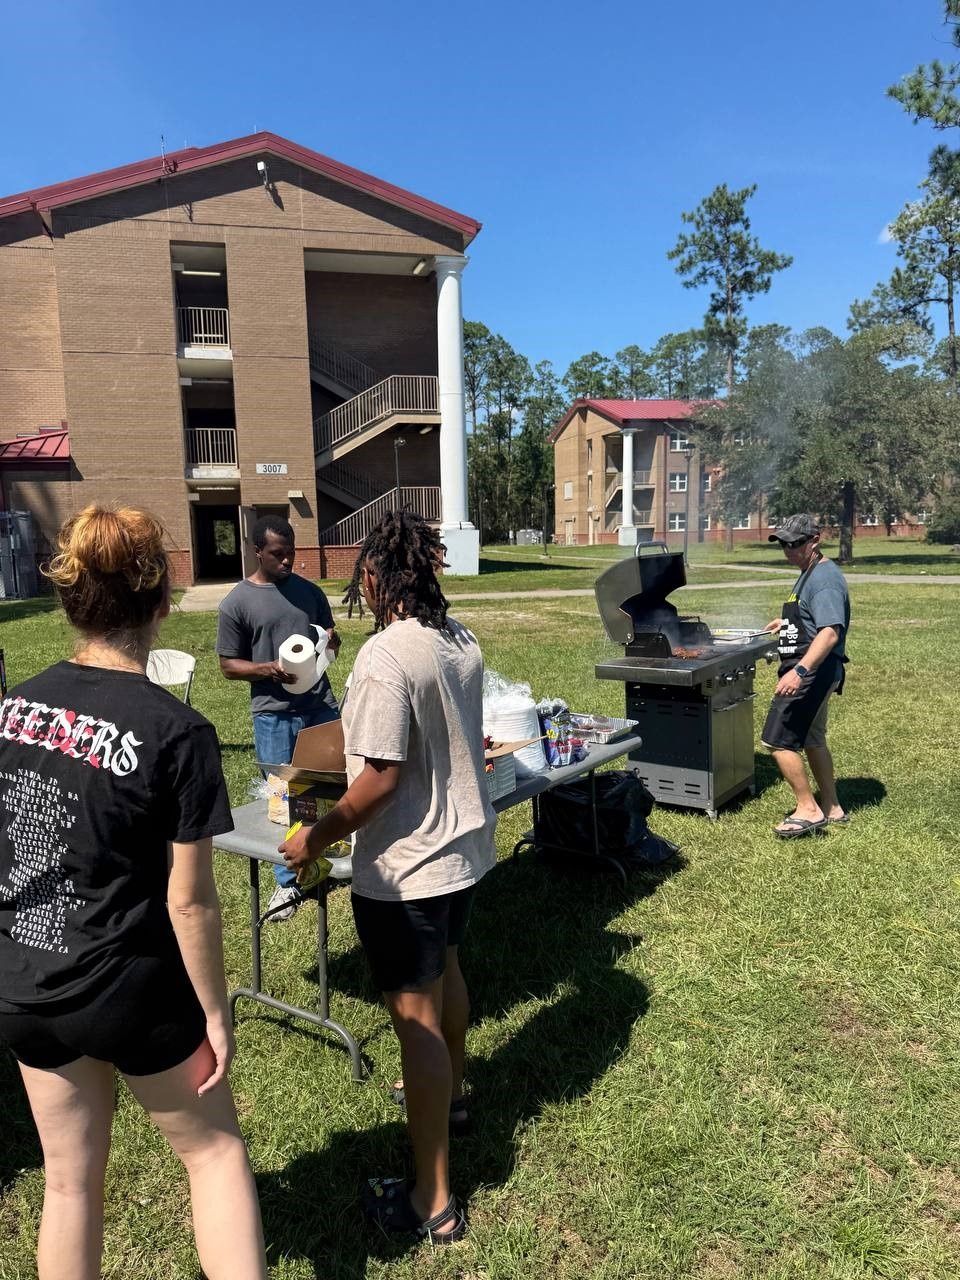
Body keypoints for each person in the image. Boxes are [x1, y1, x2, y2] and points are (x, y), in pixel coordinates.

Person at [0, 505, 267, 1280]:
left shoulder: (11, 709)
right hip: (127, 985)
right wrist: (215, 1014)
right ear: (160, 602)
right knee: (214, 1154)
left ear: (70, 602)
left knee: (67, 1181)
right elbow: (191, 902)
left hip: (23, 980)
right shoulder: (175, 731)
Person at [280, 510, 496, 1245]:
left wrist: (316, 834)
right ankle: (455, 1099)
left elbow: (376, 780)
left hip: (408, 868)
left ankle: (431, 1201)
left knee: (416, 1023)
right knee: (451, 974)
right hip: (462, 850)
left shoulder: (382, 655)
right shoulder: (459, 638)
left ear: (374, 577)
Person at [217, 513, 340, 920]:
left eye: (291, 553)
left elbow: (326, 639)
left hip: (320, 706)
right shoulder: (237, 602)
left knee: (327, 789)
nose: (287, 561)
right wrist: (267, 669)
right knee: (282, 799)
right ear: (257, 552)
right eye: (277, 554)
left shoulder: (310, 593)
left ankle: (326, 861)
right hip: (273, 714)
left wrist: (331, 643)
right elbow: (228, 666)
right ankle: (286, 884)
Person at [760, 513, 851, 838]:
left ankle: (808, 809)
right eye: (783, 544)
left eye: (795, 544)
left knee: (776, 740)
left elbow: (828, 632)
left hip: (812, 672)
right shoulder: (809, 571)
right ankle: (832, 806)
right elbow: (812, 618)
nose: (788, 550)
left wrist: (799, 671)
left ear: (815, 541)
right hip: (819, 671)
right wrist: (785, 623)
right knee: (812, 739)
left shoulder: (824, 578)